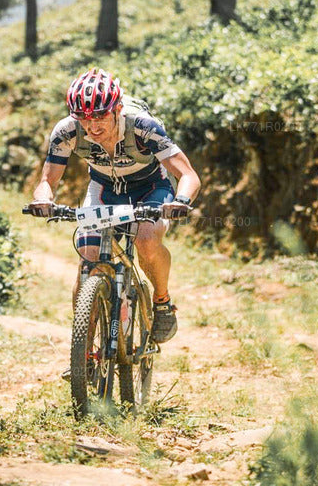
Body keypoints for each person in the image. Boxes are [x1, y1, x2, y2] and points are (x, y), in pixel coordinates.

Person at [27, 67, 201, 357]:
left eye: (100, 116)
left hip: (150, 188)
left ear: (117, 109)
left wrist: (181, 200)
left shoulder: (143, 126)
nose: (92, 126)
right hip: (104, 189)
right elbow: (47, 180)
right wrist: (43, 199)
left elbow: (188, 174)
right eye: (83, 117)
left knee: (147, 240)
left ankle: (162, 302)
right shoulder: (66, 131)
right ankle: (82, 355)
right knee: (88, 260)